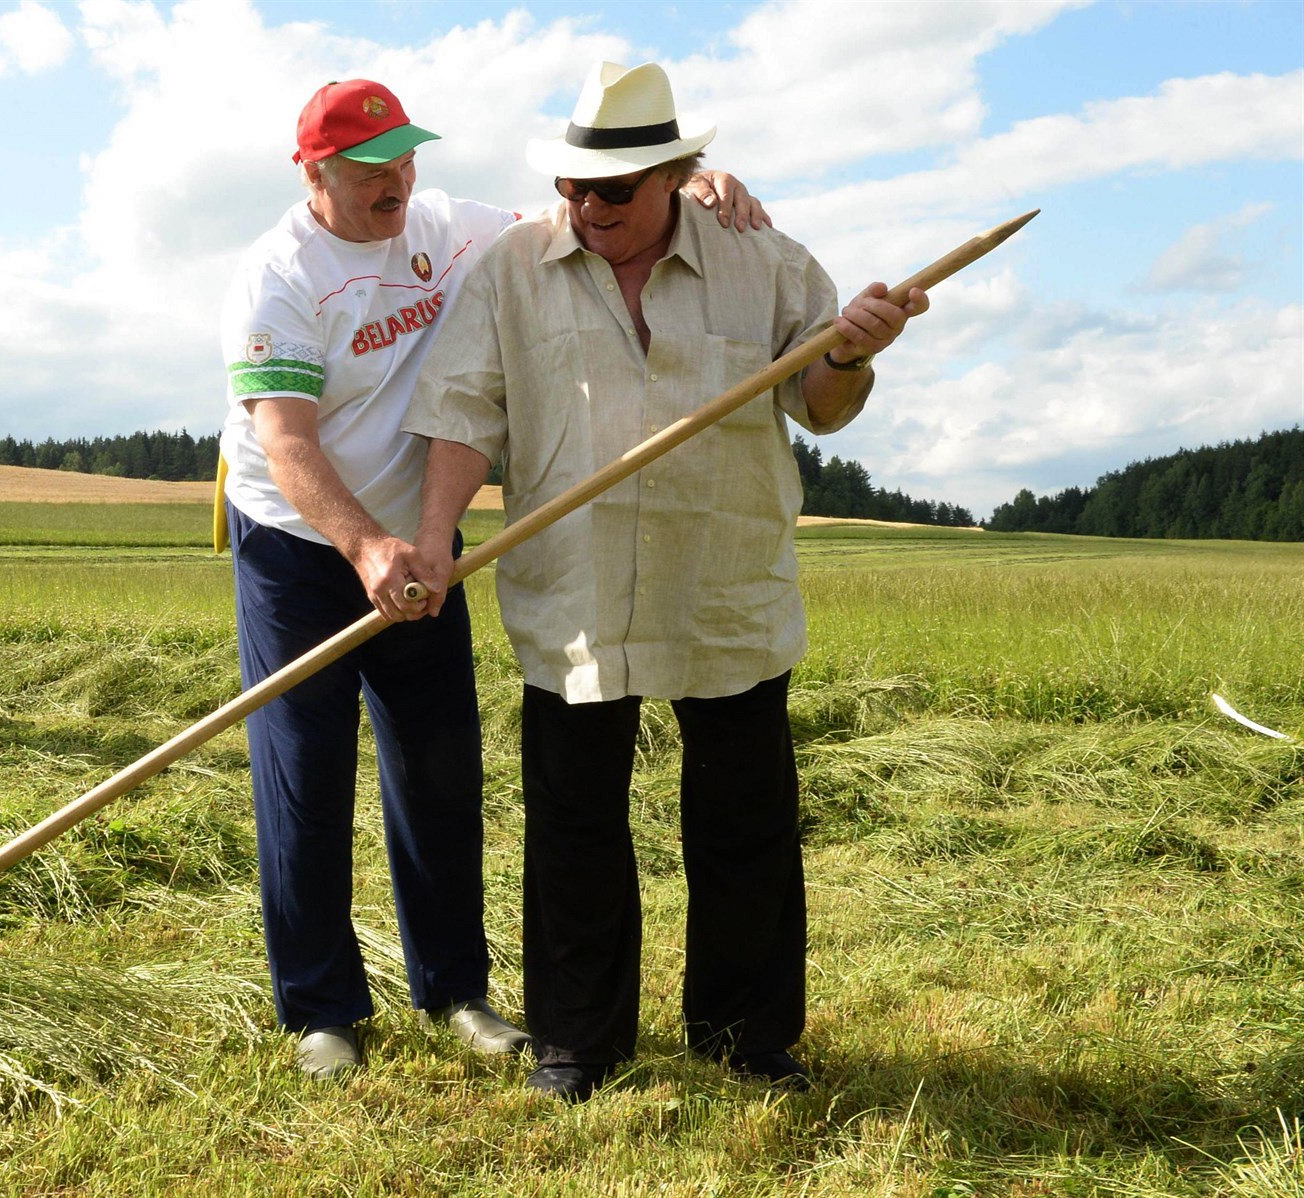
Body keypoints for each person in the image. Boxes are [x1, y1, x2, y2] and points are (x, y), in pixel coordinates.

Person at [219, 77, 767, 1079]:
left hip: (423, 543)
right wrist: (360, 546)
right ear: (313, 171)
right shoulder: (276, 277)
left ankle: (453, 989)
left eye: (405, 158)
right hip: (301, 542)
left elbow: (592, 215)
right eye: (370, 168)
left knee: (437, 769)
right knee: (303, 775)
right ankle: (322, 1010)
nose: (397, 181)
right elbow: (285, 441)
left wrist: (693, 187)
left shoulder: (447, 228)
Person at [403, 61, 930, 1102]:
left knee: (744, 822)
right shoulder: (511, 269)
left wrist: (859, 352)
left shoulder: (765, 261)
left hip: (723, 578)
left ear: (676, 175)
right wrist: (432, 540)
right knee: (573, 823)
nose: (586, 210)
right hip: (575, 587)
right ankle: (577, 1040)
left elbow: (821, 407)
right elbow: (464, 411)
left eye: (612, 192)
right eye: (572, 189)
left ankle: (745, 1036)